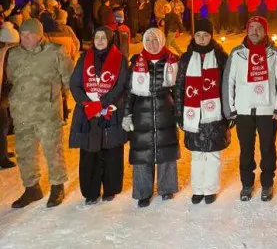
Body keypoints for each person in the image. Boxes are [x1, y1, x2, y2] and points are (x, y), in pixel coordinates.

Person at [7, 19, 73, 208]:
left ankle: (57, 186)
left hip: (47, 112)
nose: (24, 39)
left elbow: (68, 78)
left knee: (53, 150)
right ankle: (32, 188)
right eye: (22, 35)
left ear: (39, 35)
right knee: (25, 153)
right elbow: (12, 78)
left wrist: (77, 103)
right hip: (22, 113)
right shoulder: (14, 54)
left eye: (29, 35)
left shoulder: (55, 51)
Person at [222, 16, 277, 202]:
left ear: (265, 31)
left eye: (259, 28)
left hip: (267, 111)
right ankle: (247, 183)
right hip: (244, 111)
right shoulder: (237, 53)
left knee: (267, 149)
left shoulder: (274, 53)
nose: (255, 31)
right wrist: (230, 108)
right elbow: (229, 81)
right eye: (252, 27)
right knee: (246, 150)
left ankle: (267, 182)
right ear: (247, 30)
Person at [174, 19, 232, 204]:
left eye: (205, 35)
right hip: (193, 113)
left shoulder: (221, 57)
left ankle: (210, 189)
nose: (201, 38)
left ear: (211, 36)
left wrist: (230, 112)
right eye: (198, 35)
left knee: (213, 155)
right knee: (197, 155)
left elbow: (228, 86)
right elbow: (179, 87)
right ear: (193, 36)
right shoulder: (185, 58)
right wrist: (178, 113)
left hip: (215, 115)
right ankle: (198, 188)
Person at [69, 27, 129, 204]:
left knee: (111, 151)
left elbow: (121, 85)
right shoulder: (83, 59)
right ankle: (90, 191)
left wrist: (102, 103)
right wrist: (87, 104)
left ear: (110, 40)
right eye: (97, 37)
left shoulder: (120, 60)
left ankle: (110, 188)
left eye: (104, 37)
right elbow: (75, 84)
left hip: (110, 111)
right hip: (88, 113)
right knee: (90, 152)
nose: (100, 40)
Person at [123, 28, 180, 207]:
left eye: (155, 40)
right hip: (142, 112)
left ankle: (166, 188)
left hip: (165, 110)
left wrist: (179, 113)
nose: (152, 44)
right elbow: (130, 90)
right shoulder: (136, 61)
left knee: (166, 150)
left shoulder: (172, 60)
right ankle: (143, 191)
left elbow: (178, 90)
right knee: (142, 152)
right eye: (148, 40)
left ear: (162, 40)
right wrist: (127, 114)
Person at [0, 22, 19, 169]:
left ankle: (3, 152)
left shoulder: (5, 51)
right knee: (3, 123)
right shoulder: (6, 54)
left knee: (4, 122)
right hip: (2, 93)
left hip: (3, 93)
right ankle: (2, 158)